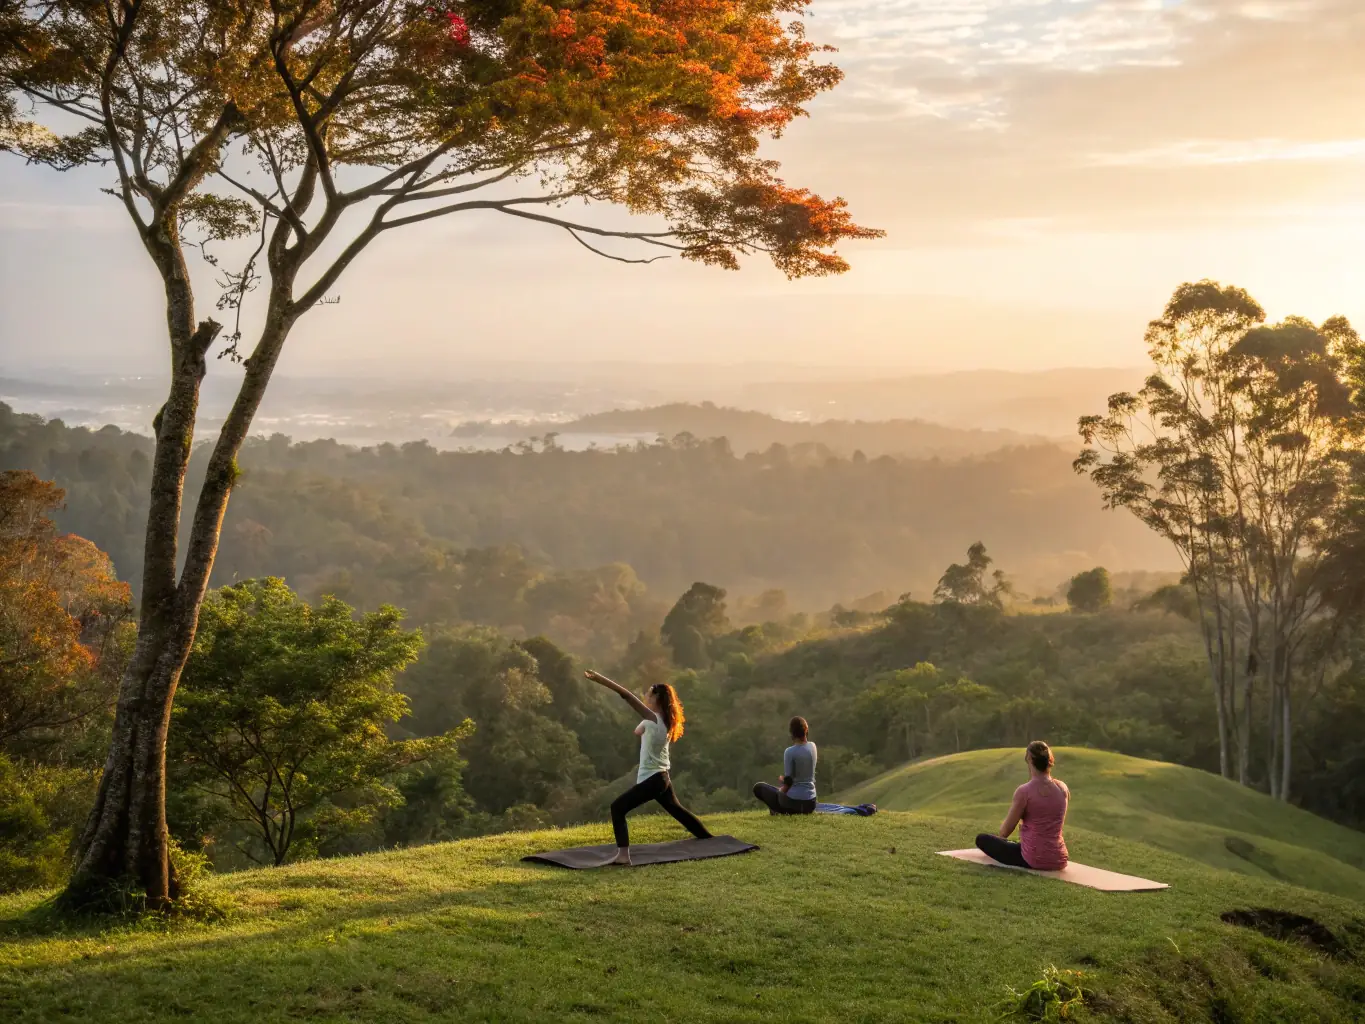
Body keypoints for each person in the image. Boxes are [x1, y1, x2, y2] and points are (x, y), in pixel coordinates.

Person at [585, 670, 712, 865]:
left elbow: (626, 695)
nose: (645, 695)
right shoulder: (665, 722)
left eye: (649, 693)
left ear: (656, 699)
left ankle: (623, 855)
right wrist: (643, 726)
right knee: (678, 811)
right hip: (662, 777)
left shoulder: (652, 718)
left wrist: (600, 679)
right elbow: (639, 731)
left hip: (654, 779)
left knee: (617, 808)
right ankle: (709, 840)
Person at [974, 741, 1070, 870]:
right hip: (1059, 858)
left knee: (982, 839)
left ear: (1029, 759)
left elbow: (1004, 832)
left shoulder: (1025, 791)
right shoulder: (1062, 788)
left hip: (1034, 858)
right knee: (1015, 845)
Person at [752, 716, 818, 815]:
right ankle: (777, 809)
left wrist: (780, 791)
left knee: (759, 787)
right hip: (811, 803)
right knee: (777, 791)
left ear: (791, 733)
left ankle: (777, 810)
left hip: (793, 803)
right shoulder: (813, 746)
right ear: (806, 730)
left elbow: (789, 782)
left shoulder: (790, 752)